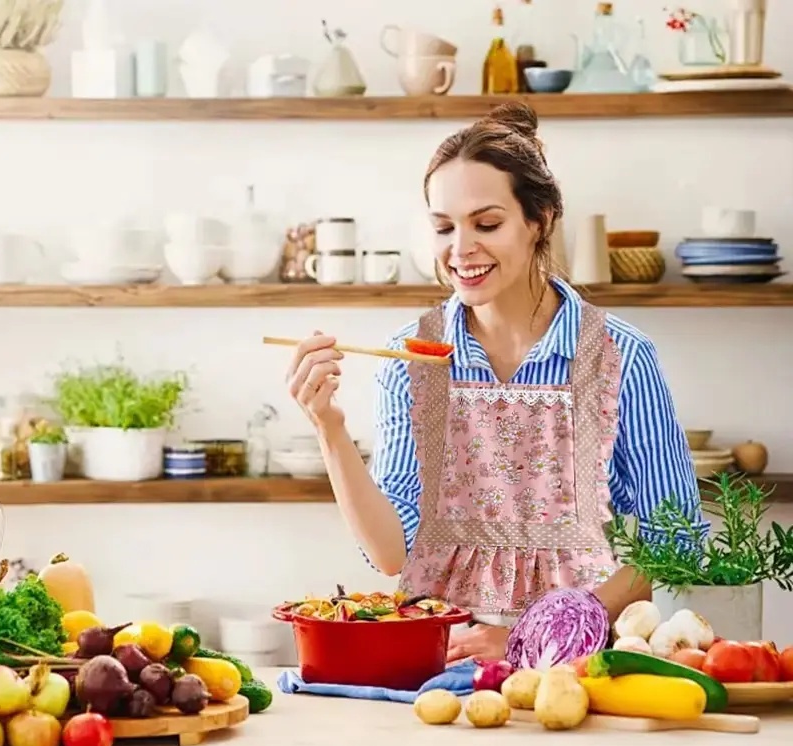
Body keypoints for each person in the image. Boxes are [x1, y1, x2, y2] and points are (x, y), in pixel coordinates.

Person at [284, 102, 706, 665]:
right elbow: (392, 552)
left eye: (486, 224)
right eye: (442, 227)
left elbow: (672, 543)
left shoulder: (619, 356)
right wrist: (328, 428)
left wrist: (529, 637)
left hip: (576, 663)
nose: (460, 249)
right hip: (442, 660)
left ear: (541, 220)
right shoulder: (411, 359)